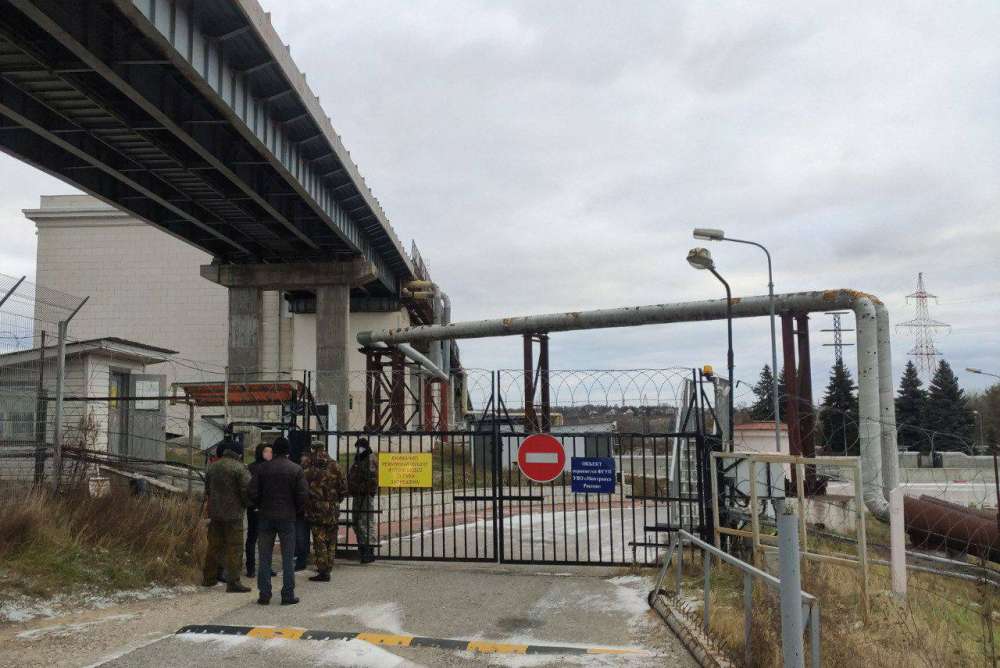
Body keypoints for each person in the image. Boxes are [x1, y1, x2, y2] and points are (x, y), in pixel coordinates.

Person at [250, 436, 307, 605]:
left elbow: (252, 491)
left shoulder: (262, 468)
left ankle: (264, 594)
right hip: (287, 517)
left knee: (264, 557)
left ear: (274, 450)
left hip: (265, 516)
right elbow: (303, 495)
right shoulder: (296, 469)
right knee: (288, 558)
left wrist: (259, 505)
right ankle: (287, 594)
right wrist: (296, 510)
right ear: (288, 451)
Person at [201, 438, 251, 593]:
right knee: (235, 548)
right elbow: (246, 490)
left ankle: (209, 578)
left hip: (215, 513)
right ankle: (233, 582)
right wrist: (247, 504)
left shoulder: (213, 467)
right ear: (238, 454)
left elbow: (207, 489)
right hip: (234, 515)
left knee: (214, 546)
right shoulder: (240, 468)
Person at [302, 441, 348, 581]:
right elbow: (344, 488)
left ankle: (323, 570)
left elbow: (303, 489)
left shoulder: (309, 468)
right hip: (332, 508)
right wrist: (335, 501)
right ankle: (329, 567)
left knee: (319, 539)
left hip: (316, 509)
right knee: (331, 540)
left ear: (313, 449)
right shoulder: (336, 465)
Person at [347, 437, 379, 564]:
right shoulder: (359, 458)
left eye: (359, 447)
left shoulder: (370, 458)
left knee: (365, 522)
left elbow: (372, 479)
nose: (358, 450)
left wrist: (364, 489)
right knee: (357, 522)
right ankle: (362, 548)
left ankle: (368, 551)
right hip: (357, 495)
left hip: (365, 495)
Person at [244, 443, 272, 578]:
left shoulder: (271, 467)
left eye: (271, 452)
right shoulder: (253, 467)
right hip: (256, 507)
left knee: (265, 538)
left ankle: (265, 567)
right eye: (267, 451)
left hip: (265, 507)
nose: (269, 454)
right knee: (253, 537)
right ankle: (251, 567)